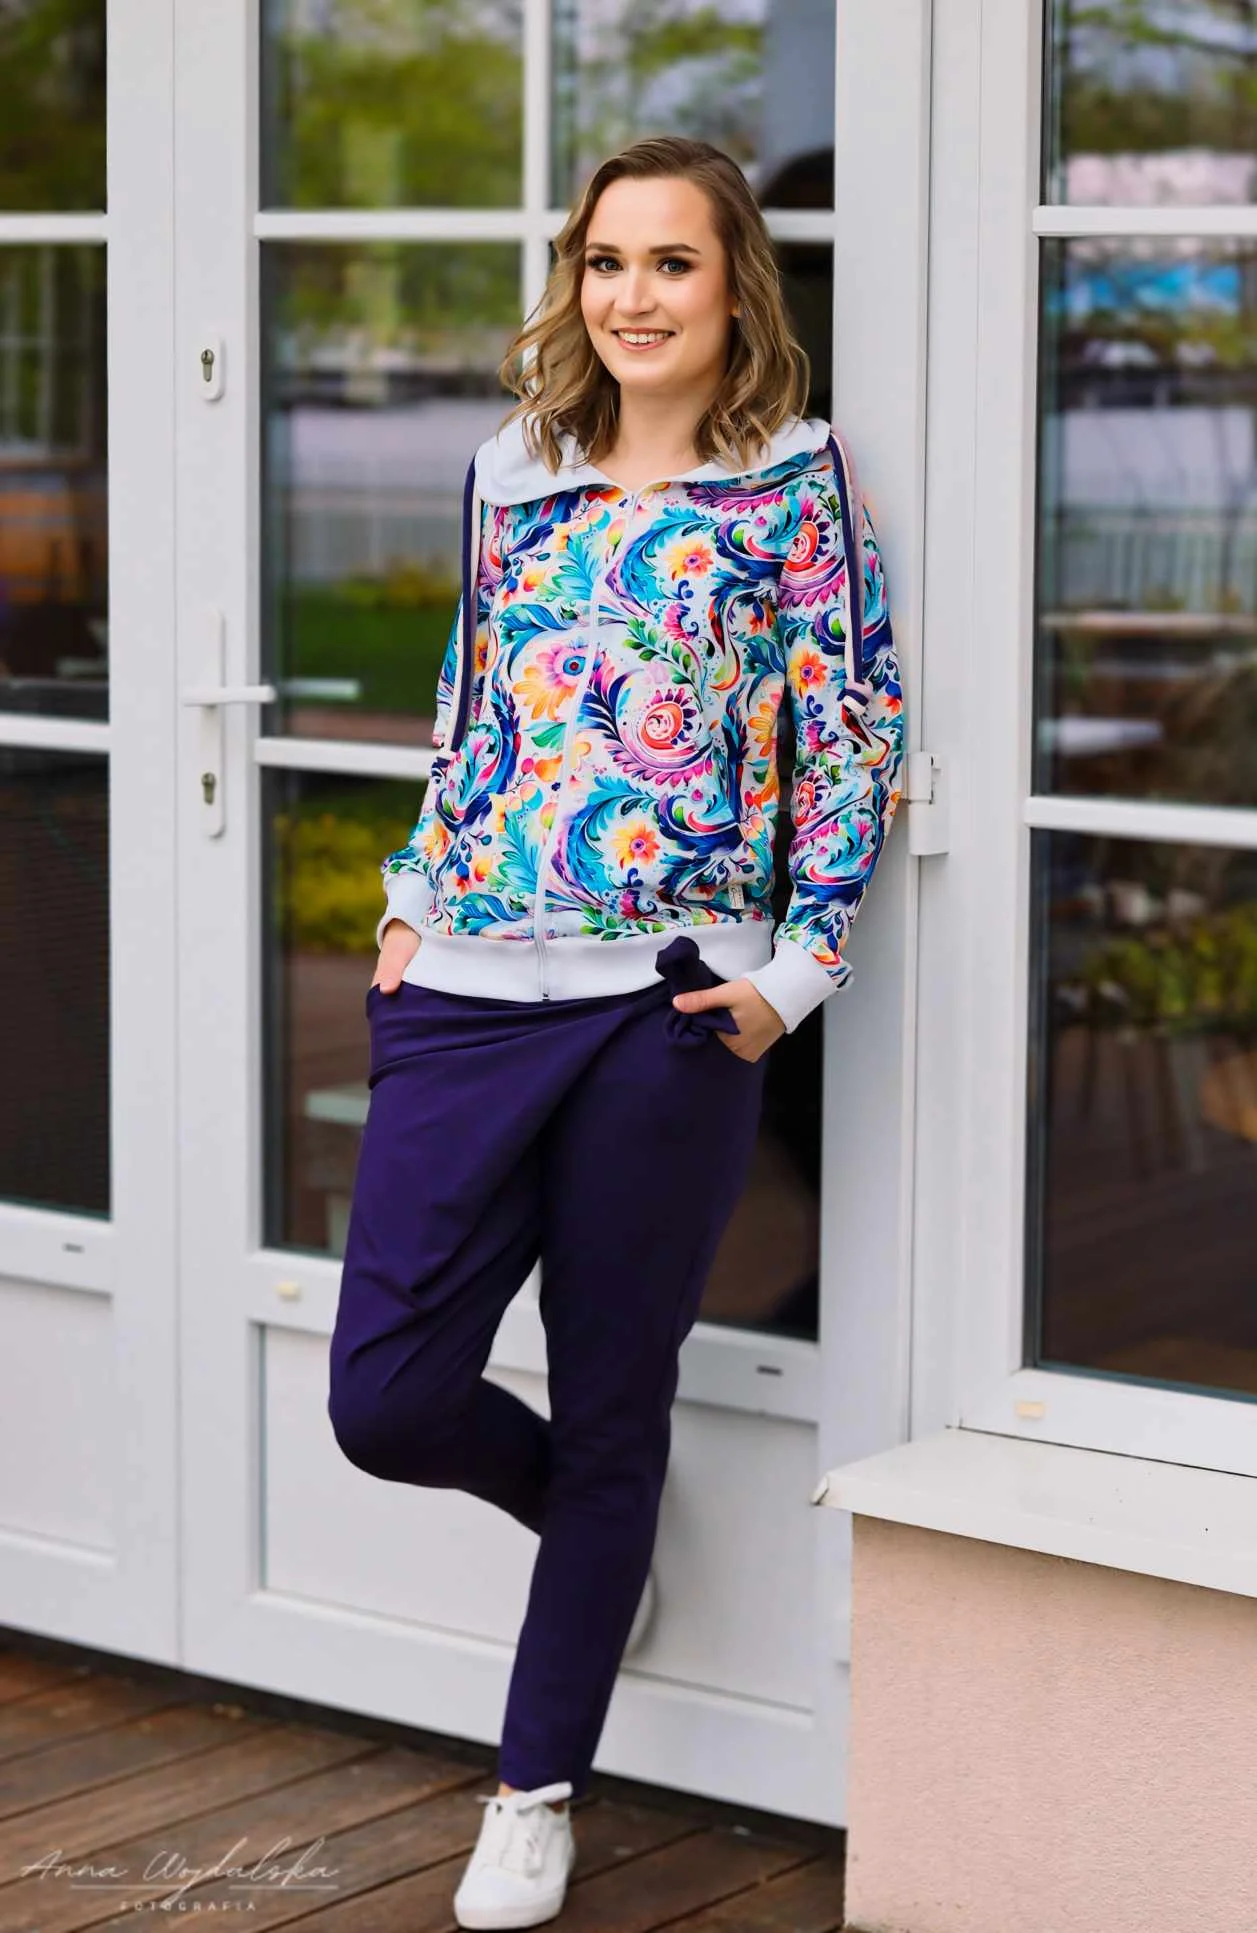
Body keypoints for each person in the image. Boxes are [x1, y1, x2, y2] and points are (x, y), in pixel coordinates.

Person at [326, 134, 903, 1931]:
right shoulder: (515, 469)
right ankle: (595, 1527)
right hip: (469, 993)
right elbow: (473, 710)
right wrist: (412, 898)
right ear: (574, 281)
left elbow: (854, 732)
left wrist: (797, 973)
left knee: (613, 1399)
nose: (632, 296)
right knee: (386, 1397)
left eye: (672, 263)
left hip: (665, 1011)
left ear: (736, 288)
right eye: (605, 262)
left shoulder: (795, 482)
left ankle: (534, 1789)